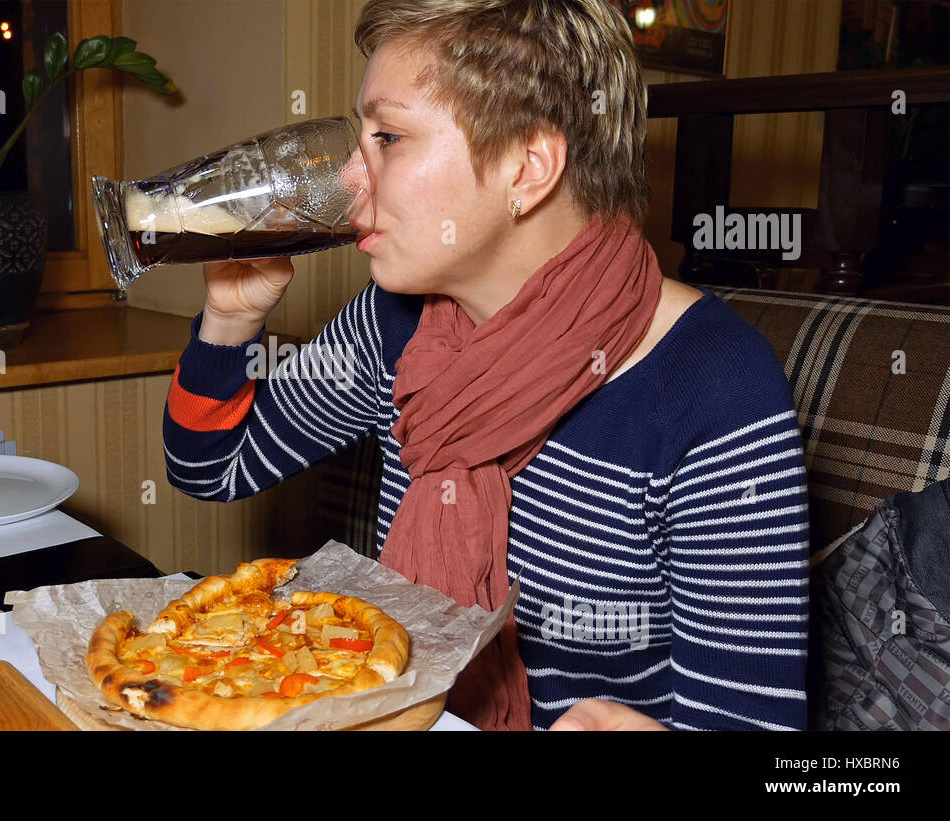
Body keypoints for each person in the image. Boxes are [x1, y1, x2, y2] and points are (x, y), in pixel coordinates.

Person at [163, 0, 810, 730]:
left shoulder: (716, 382)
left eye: (389, 137)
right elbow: (211, 467)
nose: (350, 179)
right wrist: (229, 320)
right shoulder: (394, 325)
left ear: (526, 167)